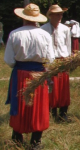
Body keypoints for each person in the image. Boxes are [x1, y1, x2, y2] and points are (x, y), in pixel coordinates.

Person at [4, 3, 55, 148]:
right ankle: (35, 141)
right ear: (37, 18)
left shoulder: (15, 34)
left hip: (20, 73)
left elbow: (8, 60)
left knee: (20, 105)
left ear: (23, 17)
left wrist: (20, 64)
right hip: (39, 74)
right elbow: (50, 59)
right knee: (38, 106)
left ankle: (17, 138)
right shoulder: (45, 35)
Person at [41, 4, 71, 122]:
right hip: (50, 61)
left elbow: (68, 46)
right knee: (51, 87)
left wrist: (69, 62)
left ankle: (63, 112)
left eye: (61, 14)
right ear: (51, 15)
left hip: (63, 59)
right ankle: (51, 112)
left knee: (63, 87)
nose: (60, 16)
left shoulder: (65, 29)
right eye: (57, 14)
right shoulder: (43, 29)